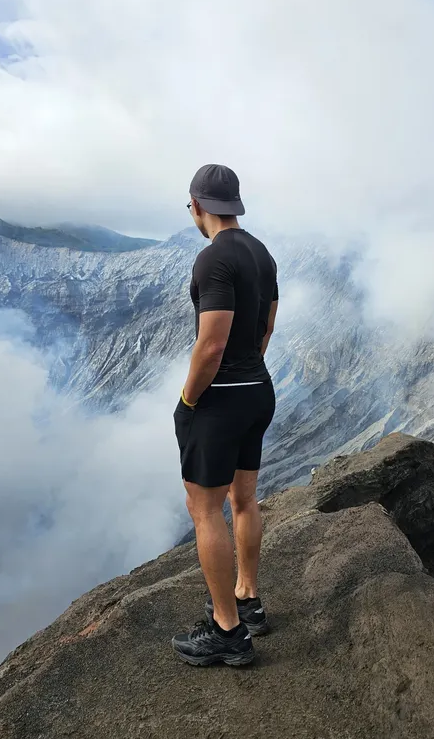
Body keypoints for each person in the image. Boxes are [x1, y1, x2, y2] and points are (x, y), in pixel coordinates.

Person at [171, 163, 278, 667]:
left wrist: (190, 401)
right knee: (244, 499)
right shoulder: (261, 253)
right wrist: (249, 369)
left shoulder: (212, 260)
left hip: (221, 399)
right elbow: (267, 326)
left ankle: (227, 631)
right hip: (259, 388)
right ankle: (248, 600)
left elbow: (210, 344)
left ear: (196, 206)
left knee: (204, 509)